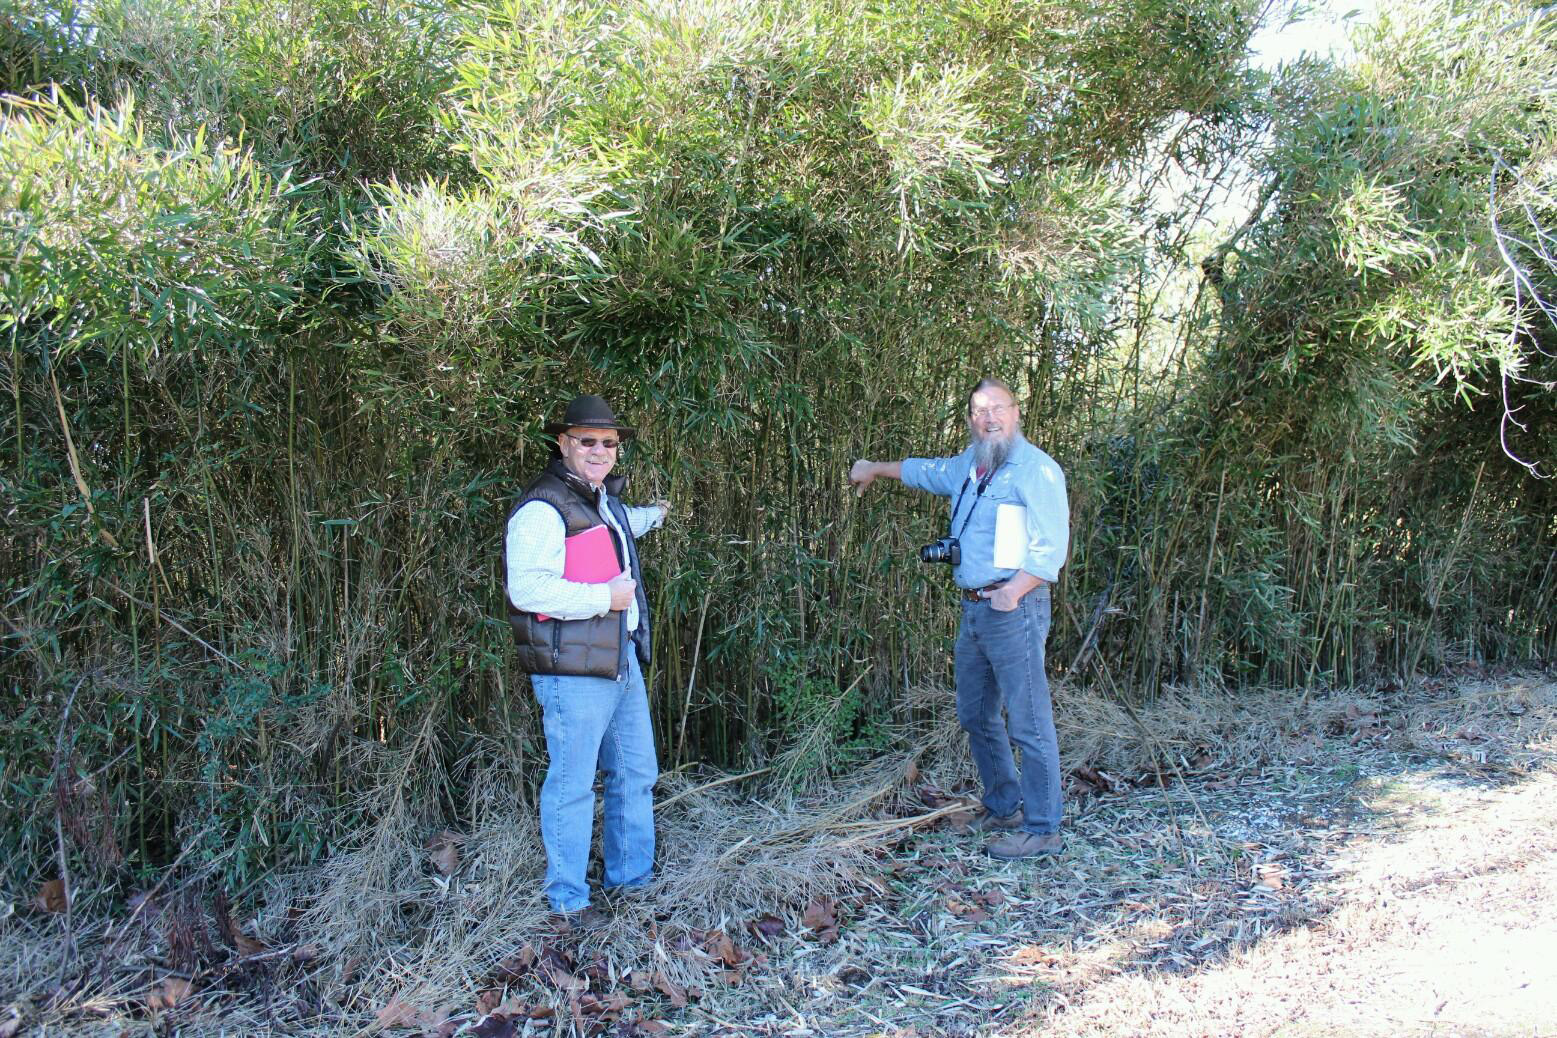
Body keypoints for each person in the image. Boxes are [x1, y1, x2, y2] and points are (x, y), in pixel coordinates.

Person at [849, 377, 1070, 859]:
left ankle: (1043, 827)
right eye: (979, 411)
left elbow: (1051, 550)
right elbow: (924, 471)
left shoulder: (1037, 470)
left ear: (1016, 411)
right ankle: (1003, 805)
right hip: (974, 608)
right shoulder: (971, 464)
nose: (989, 418)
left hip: (1015, 607)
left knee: (1028, 721)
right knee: (975, 713)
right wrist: (872, 468)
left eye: (998, 408)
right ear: (970, 419)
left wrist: (1011, 593)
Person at [505, 394, 670, 928]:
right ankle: (568, 901)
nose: (599, 450)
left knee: (636, 772)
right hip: (571, 672)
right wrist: (606, 598)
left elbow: (621, 529)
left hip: (618, 660)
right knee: (573, 783)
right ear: (563, 444)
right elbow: (527, 589)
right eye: (587, 441)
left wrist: (658, 514)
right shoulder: (541, 507)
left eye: (608, 443)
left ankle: (632, 886)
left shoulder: (602, 501)